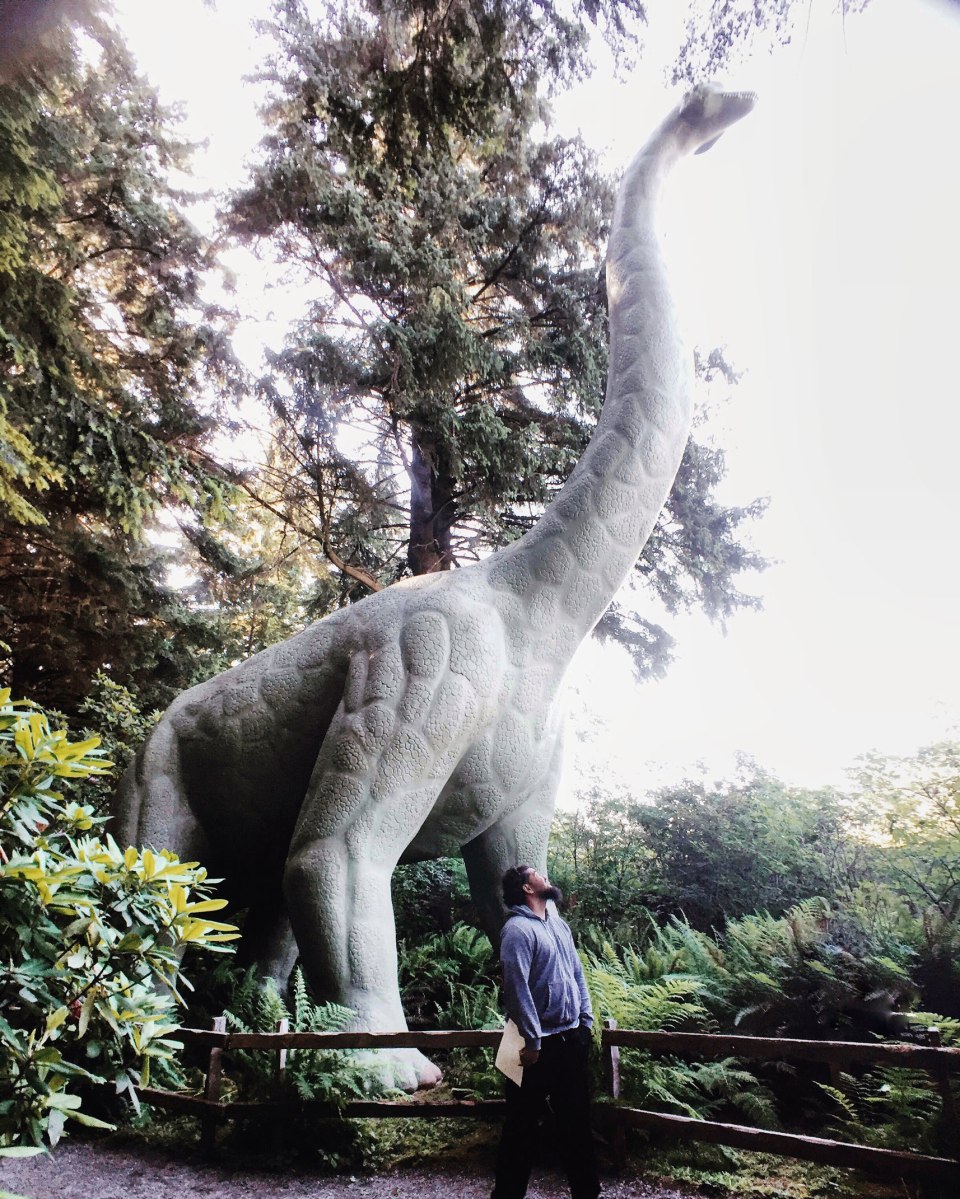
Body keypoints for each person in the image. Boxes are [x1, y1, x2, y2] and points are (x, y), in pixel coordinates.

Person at [491, 864, 600, 1199]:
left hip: (569, 1038)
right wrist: (534, 1041)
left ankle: (587, 1193)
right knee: (520, 1129)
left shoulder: (558, 924)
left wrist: (586, 1018)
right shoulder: (517, 931)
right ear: (527, 888)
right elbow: (516, 989)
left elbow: (576, 971)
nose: (545, 877)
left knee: (577, 1125)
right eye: (537, 873)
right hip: (529, 1046)